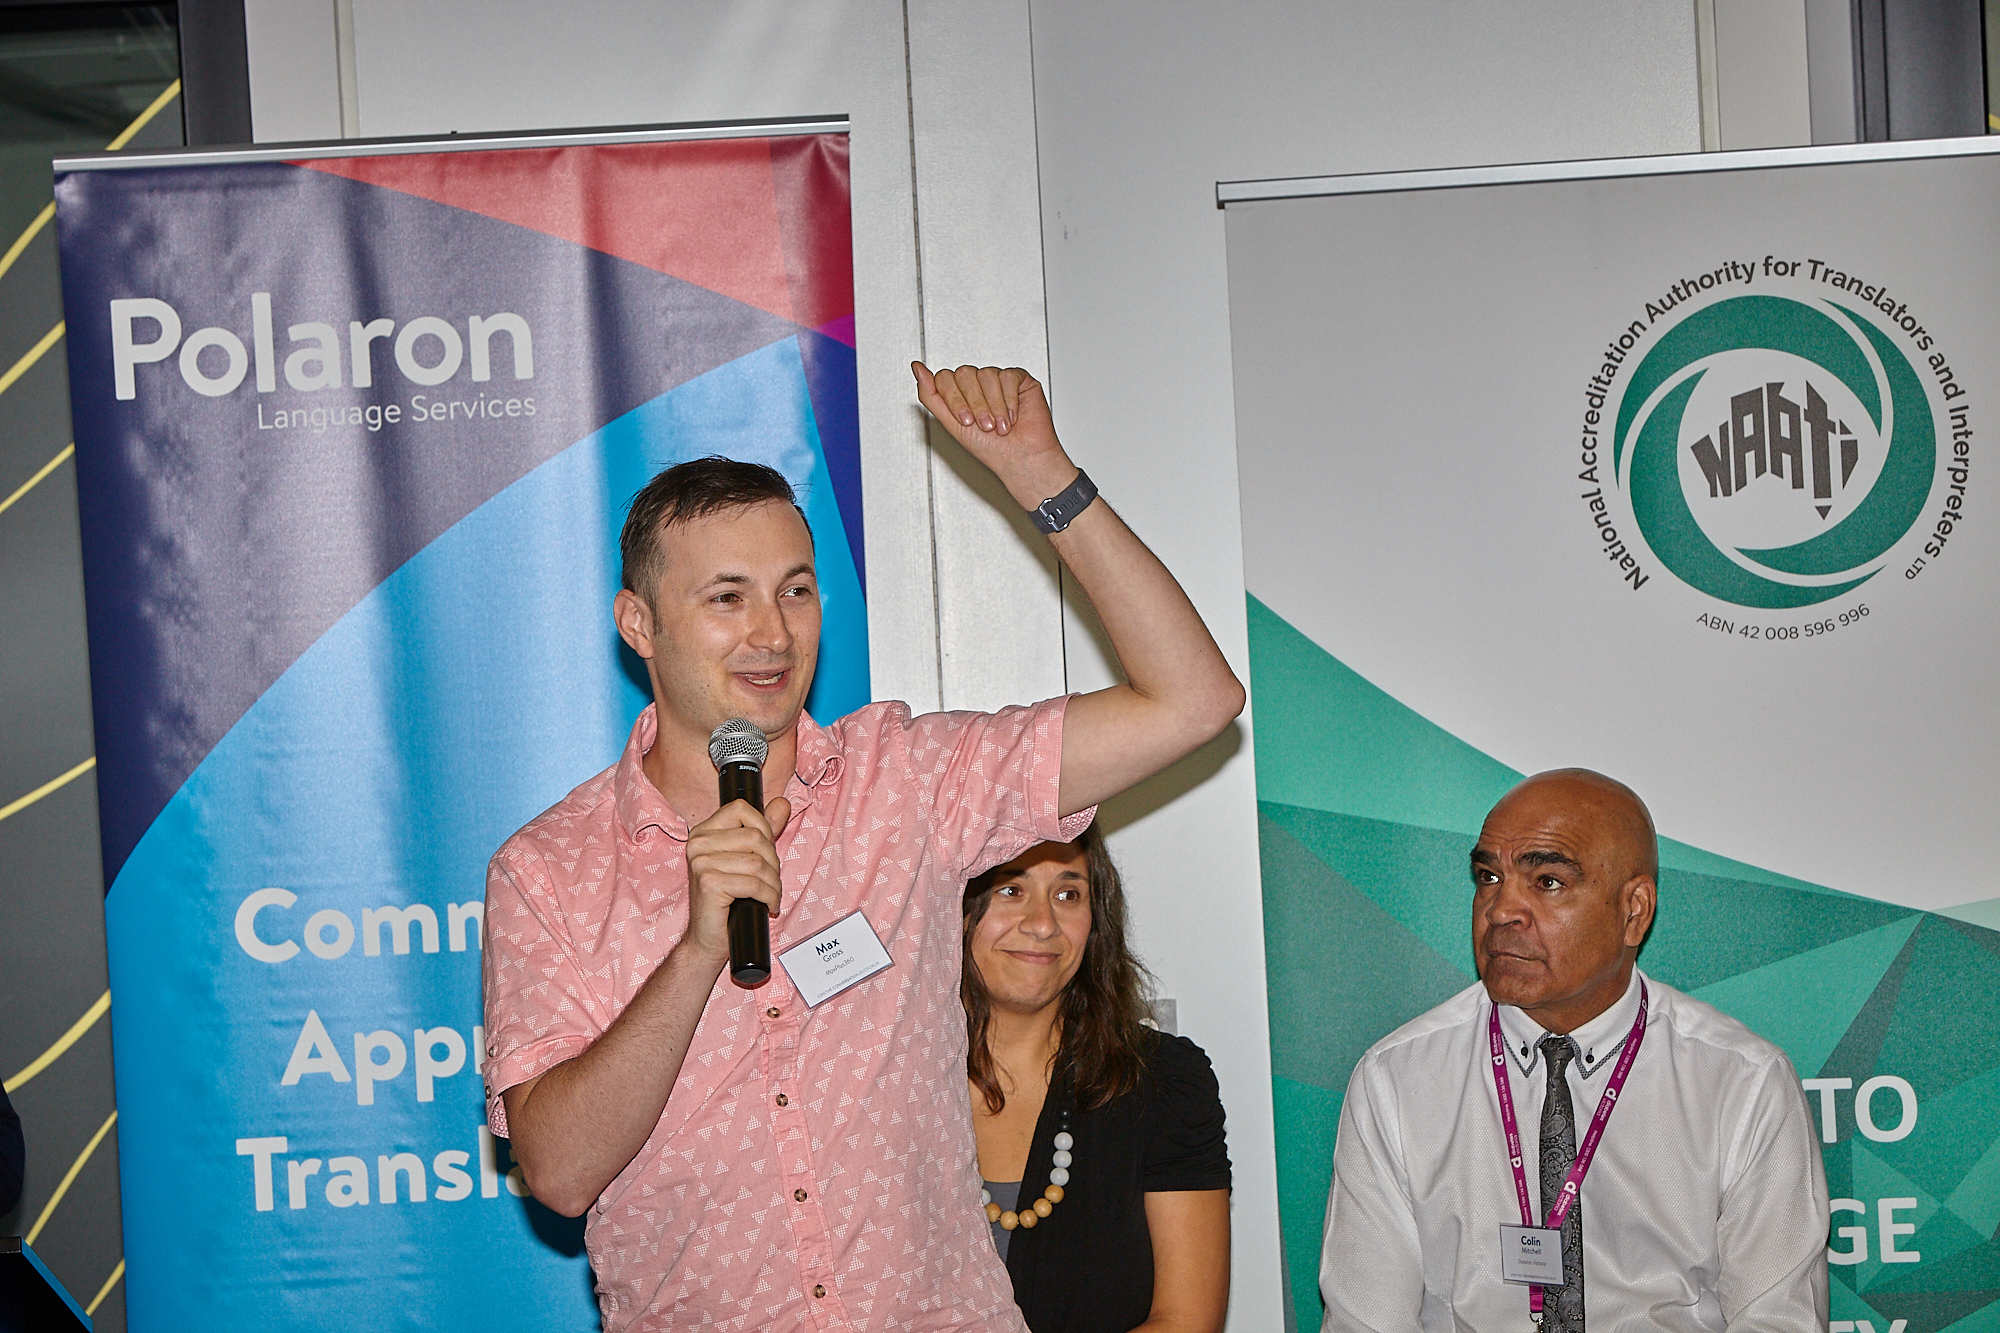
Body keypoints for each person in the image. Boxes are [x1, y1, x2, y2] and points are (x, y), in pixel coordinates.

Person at [481, 363, 1244, 1333]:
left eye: (795, 591)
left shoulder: (906, 780)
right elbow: (557, 1170)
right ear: (640, 623)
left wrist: (1042, 476)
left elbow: (1194, 700)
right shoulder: (548, 868)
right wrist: (697, 952)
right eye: (727, 598)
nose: (771, 633)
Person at [1319, 769, 1829, 1333]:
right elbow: (1366, 1321)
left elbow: (1778, 1319)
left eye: (1547, 881)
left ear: (1634, 911)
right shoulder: (1397, 1079)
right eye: (1489, 876)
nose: (1501, 910)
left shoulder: (1741, 1082)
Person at [963, 828, 1230, 1333]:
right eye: (1011, 890)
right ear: (953, 907)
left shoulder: (1160, 1082)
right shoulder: (881, 1086)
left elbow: (1186, 1323)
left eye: (1068, 895)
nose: (1043, 923)